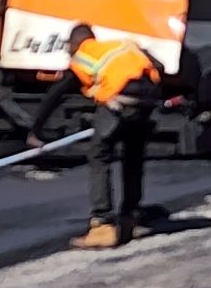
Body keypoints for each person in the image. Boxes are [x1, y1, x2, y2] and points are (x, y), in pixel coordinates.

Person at [26, 23, 163, 249]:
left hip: (119, 98)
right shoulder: (121, 46)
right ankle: (130, 218)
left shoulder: (82, 57)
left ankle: (102, 224)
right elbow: (157, 65)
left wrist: (35, 132)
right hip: (148, 97)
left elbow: (55, 94)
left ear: (75, 44)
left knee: (99, 154)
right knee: (133, 157)